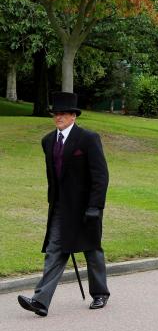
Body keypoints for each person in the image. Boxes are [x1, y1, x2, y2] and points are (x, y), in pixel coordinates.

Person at [17, 92, 110, 317]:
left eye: (63, 113)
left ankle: (100, 294)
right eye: (56, 113)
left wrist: (95, 206)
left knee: (91, 249)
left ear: (73, 116)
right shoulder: (48, 141)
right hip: (60, 208)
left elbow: (101, 175)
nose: (58, 117)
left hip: (87, 207)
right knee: (54, 250)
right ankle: (40, 301)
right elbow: (53, 177)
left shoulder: (88, 139)